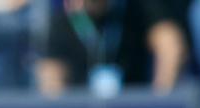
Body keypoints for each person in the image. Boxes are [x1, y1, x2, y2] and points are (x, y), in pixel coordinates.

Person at [35, 0, 188, 96]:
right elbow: (51, 82)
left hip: (135, 106)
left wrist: (160, 96)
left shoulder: (136, 7)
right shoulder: (62, 21)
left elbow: (171, 46)